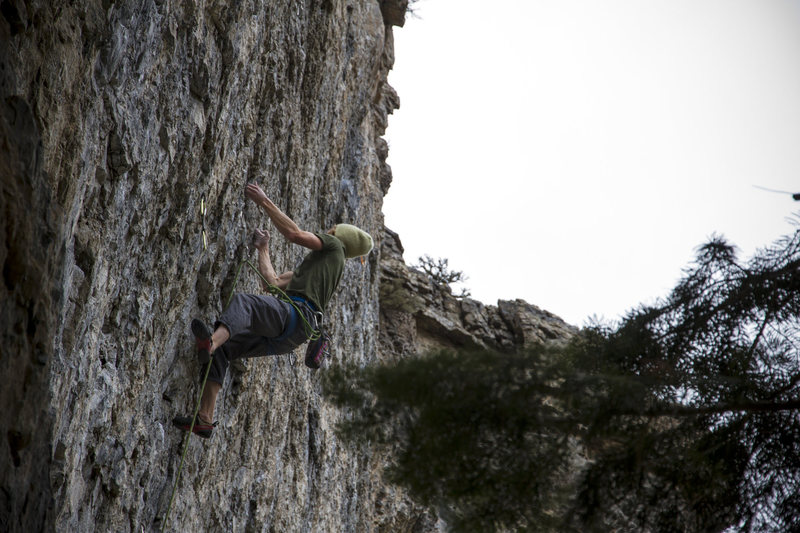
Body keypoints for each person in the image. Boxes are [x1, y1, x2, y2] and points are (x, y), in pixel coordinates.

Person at [172, 183, 373, 438]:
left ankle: (210, 343)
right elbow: (273, 283)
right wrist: (263, 248)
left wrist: (264, 201)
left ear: (340, 236)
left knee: (245, 304)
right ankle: (205, 419)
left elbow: (295, 235)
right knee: (226, 349)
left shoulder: (335, 247)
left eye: (333, 231)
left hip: (295, 315)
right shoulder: (320, 270)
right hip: (291, 336)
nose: (327, 231)